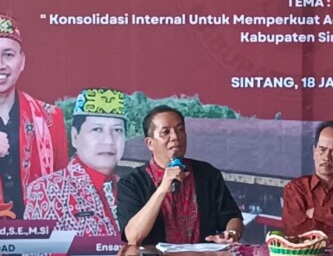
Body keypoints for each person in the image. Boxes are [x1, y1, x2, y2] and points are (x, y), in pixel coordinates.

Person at [117, 105, 244, 246]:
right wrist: (162, 189)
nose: (176, 137)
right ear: (150, 143)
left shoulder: (207, 174)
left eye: (180, 130)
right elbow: (133, 237)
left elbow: (233, 217)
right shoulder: (132, 182)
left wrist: (232, 233)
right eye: (165, 132)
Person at [24, 88, 127, 235]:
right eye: (97, 129)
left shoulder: (131, 187)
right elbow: (39, 247)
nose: (109, 140)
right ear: (75, 137)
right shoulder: (47, 190)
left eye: (117, 130)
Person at [0, 14, 68, 218]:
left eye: (8, 54)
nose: (1, 64)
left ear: (22, 62)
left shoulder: (50, 117)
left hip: (36, 230)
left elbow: (63, 186)